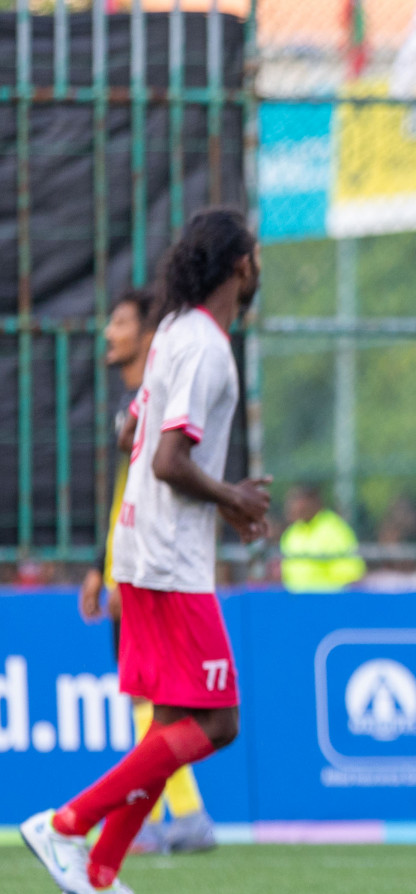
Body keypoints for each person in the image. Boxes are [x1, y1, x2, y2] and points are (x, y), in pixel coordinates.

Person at [21, 208, 270, 894]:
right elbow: (166, 459)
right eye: (253, 256)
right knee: (219, 724)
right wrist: (232, 497)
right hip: (168, 560)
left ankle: (98, 874)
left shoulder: (172, 333)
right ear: (239, 266)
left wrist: (220, 499)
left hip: (143, 548)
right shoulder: (205, 346)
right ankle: (66, 824)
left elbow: (136, 429)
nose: (257, 268)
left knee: (169, 719)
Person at [78, 289, 220, 859]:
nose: (108, 331)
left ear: (147, 334)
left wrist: (124, 572)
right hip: (129, 566)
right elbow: (124, 495)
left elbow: (158, 489)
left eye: (119, 322)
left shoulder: (157, 399)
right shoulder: (135, 401)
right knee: (149, 698)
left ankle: (180, 817)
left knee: (160, 699)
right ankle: (180, 815)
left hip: (151, 568)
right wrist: (100, 565)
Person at [280, 484, 366, 592]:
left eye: (296, 500)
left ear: (313, 502)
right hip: (295, 601)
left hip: (327, 601)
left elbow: (352, 575)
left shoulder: (335, 529)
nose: (291, 506)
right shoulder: (292, 532)